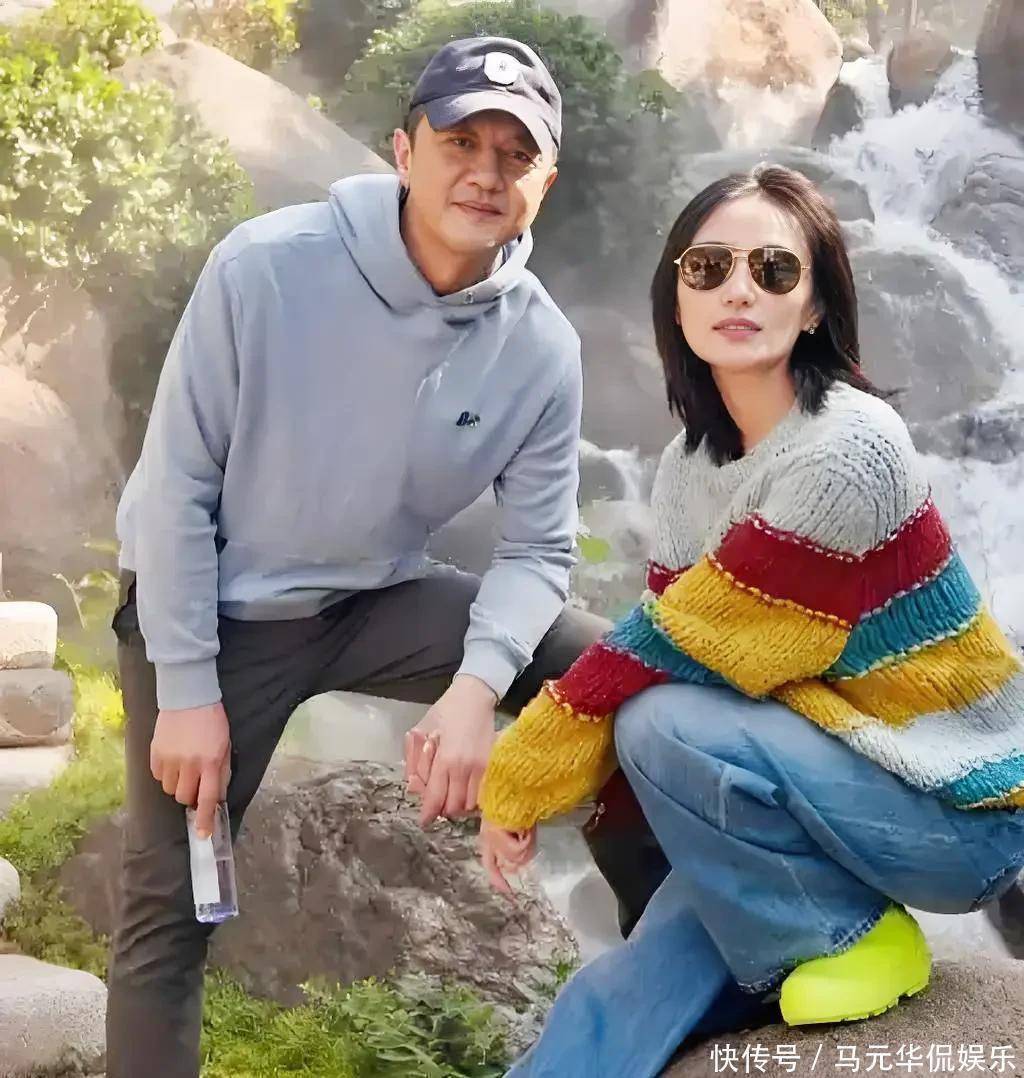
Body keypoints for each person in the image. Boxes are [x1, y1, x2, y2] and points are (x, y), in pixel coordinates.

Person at [105, 36, 637, 1078]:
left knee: (613, 676)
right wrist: (188, 690)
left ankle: (673, 963)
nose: (485, 173)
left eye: (515, 153)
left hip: (374, 601)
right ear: (403, 151)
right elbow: (174, 487)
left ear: (545, 181)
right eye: (460, 142)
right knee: (171, 904)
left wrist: (476, 690)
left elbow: (538, 548)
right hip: (213, 608)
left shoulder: (540, 345)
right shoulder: (264, 267)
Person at [477, 165, 1024, 1077]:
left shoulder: (849, 451)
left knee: (663, 717)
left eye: (773, 270)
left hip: (957, 809)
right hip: (815, 792)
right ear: (677, 296)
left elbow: (671, 652)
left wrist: (521, 778)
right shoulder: (688, 467)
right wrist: (632, 823)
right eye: (709, 267)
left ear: (815, 306)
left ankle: (848, 937)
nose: (738, 289)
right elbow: (676, 655)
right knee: (621, 993)